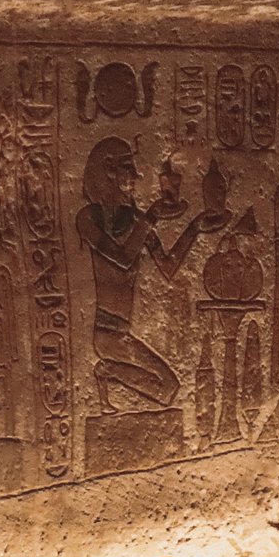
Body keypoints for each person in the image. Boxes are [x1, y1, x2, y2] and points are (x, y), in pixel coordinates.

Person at [75, 137, 223, 411]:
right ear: (109, 170)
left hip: (122, 334)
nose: (135, 175)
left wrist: (194, 228)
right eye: (128, 168)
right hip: (107, 333)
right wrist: (151, 215)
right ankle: (107, 372)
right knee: (168, 387)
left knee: (169, 388)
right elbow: (121, 258)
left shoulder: (136, 221)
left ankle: (108, 372)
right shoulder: (88, 218)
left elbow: (168, 266)